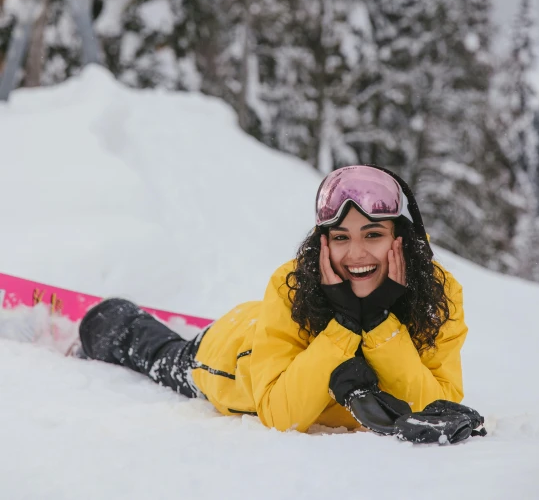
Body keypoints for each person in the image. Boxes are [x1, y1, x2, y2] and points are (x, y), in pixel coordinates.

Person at [79, 165, 468, 434]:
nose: (356, 255)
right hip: (232, 358)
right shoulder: (292, 284)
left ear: (401, 238)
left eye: (372, 235)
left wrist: (379, 321)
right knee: (163, 354)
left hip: (265, 326)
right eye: (340, 238)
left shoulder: (437, 294)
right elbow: (280, 415)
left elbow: (440, 404)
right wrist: (347, 324)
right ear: (323, 245)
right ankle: (110, 318)